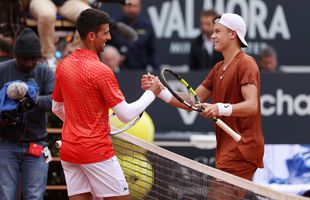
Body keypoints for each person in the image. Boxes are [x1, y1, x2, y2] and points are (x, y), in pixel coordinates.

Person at [52, 8, 162, 200]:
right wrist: (151, 93)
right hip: (96, 152)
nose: (110, 37)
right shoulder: (101, 71)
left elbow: (56, 108)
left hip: (70, 151)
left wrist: (81, 123)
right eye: (105, 33)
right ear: (92, 36)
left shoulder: (63, 65)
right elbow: (126, 115)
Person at [142, 13, 264, 180]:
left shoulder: (246, 64)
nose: (212, 36)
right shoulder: (218, 68)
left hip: (242, 149)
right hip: (227, 149)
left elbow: (252, 106)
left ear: (232, 34)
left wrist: (218, 108)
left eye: (218, 31)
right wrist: (160, 90)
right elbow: (192, 101)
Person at [0, 28, 54, 200]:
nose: (29, 63)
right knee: (6, 195)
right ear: (16, 55)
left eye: (33, 59)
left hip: (36, 142)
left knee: (34, 196)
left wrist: (33, 100)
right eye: (24, 58)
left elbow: (56, 101)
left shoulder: (44, 71)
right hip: (7, 141)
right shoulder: (2, 69)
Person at [29, 0, 91, 69]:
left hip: (68, 2)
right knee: (46, 15)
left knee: (89, 15)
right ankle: (48, 57)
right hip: (43, 1)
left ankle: (74, 57)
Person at [108, 0, 160, 70]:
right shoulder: (113, 24)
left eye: (135, 6)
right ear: (123, 6)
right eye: (129, 6)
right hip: (116, 71)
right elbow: (104, 47)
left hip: (140, 71)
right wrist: (113, 57)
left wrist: (157, 72)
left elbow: (152, 52)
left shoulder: (147, 26)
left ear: (140, 7)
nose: (132, 9)